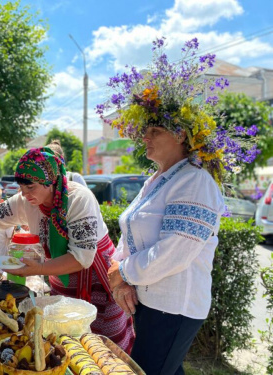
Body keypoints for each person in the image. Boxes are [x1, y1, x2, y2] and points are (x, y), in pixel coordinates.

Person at [100, 38, 256, 374]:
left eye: (155, 129)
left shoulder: (195, 181)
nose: (145, 136)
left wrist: (122, 272)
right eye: (145, 129)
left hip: (173, 308)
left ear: (181, 134)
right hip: (150, 302)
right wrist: (118, 276)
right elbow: (130, 232)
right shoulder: (158, 179)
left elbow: (174, 252)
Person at [0, 147, 135, 352]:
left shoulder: (78, 199)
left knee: (102, 346)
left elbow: (81, 258)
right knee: (63, 340)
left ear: (51, 181)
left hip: (95, 275)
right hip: (57, 273)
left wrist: (37, 268)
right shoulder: (26, 200)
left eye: (30, 187)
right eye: (21, 187)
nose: (24, 194)